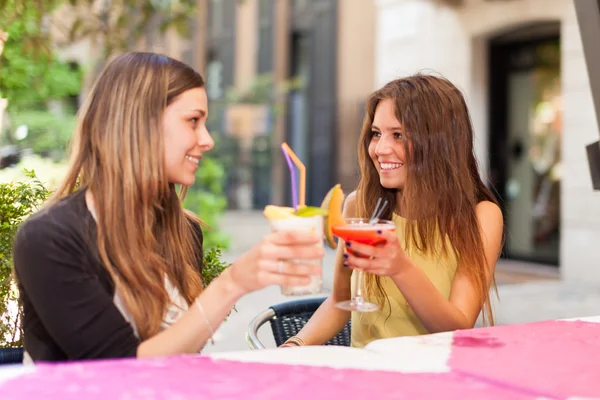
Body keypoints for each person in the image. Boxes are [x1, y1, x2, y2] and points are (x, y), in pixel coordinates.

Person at [13, 52, 323, 362]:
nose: (208, 140)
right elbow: (116, 368)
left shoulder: (183, 232)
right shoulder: (48, 238)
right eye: (193, 121)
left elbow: (181, 356)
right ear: (140, 124)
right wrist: (232, 283)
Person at [282, 74, 504, 348]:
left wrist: (399, 267)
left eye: (398, 135)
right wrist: (294, 345)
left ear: (440, 143)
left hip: (434, 381)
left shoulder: (482, 217)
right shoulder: (360, 205)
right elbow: (339, 303)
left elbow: (456, 328)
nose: (380, 149)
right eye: (376, 134)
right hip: (367, 382)